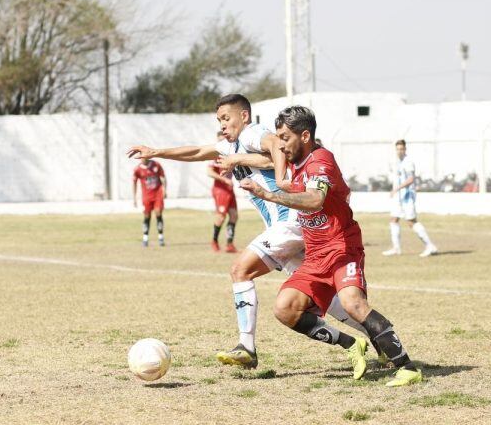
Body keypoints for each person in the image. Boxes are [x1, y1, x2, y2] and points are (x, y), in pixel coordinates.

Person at [128, 94, 379, 370]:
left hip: (291, 221)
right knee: (326, 299)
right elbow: (198, 152)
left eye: (226, 118)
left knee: (240, 270)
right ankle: (374, 338)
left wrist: (273, 175)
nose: (223, 125)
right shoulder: (231, 144)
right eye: (219, 120)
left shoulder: (253, 133)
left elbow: (276, 148)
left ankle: (246, 347)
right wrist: (156, 152)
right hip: (292, 229)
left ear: (244, 116)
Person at [240, 105, 422, 386]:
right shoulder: (294, 161)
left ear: (304, 135)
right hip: (314, 254)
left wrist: (269, 193)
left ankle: (407, 366)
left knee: (353, 304)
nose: (280, 144)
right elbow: (267, 159)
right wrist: (234, 159)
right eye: (278, 137)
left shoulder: (320, 160)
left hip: (341, 247)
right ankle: (351, 344)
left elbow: (314, 200)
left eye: (285, 137)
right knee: (285, 308)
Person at [382, 140, 438, 257]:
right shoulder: (398, 162)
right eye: (397, 149)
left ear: (405, 149)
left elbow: (411, 179)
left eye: (401, 149)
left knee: (411, 222)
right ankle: (396, 248)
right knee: (394, 219)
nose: (399, 151)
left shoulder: (408, 162)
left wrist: (396, 189)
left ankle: (430, 246)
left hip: (407, 197)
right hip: (399, 198)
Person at [207, 131, 238, 253]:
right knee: (220, 217)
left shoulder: (230, 153)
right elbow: (209, 172)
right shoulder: (215, 155)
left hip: (229, 189)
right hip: (220, 189)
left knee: (234, 215)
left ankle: (229, 244)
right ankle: (214, 241)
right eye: (220, 141)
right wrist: (224, 180)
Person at [133, 158, 166, 247]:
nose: (142, 159)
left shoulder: (156, 165)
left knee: (158, 213)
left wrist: (165, 190)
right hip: (146, 196)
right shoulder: (137, 169)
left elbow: (162, 177)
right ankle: (145, 238)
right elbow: (134, 183)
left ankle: (161, 237)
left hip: (157, 194)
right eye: (141, 158)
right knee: (147, 216)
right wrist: (134, 198)